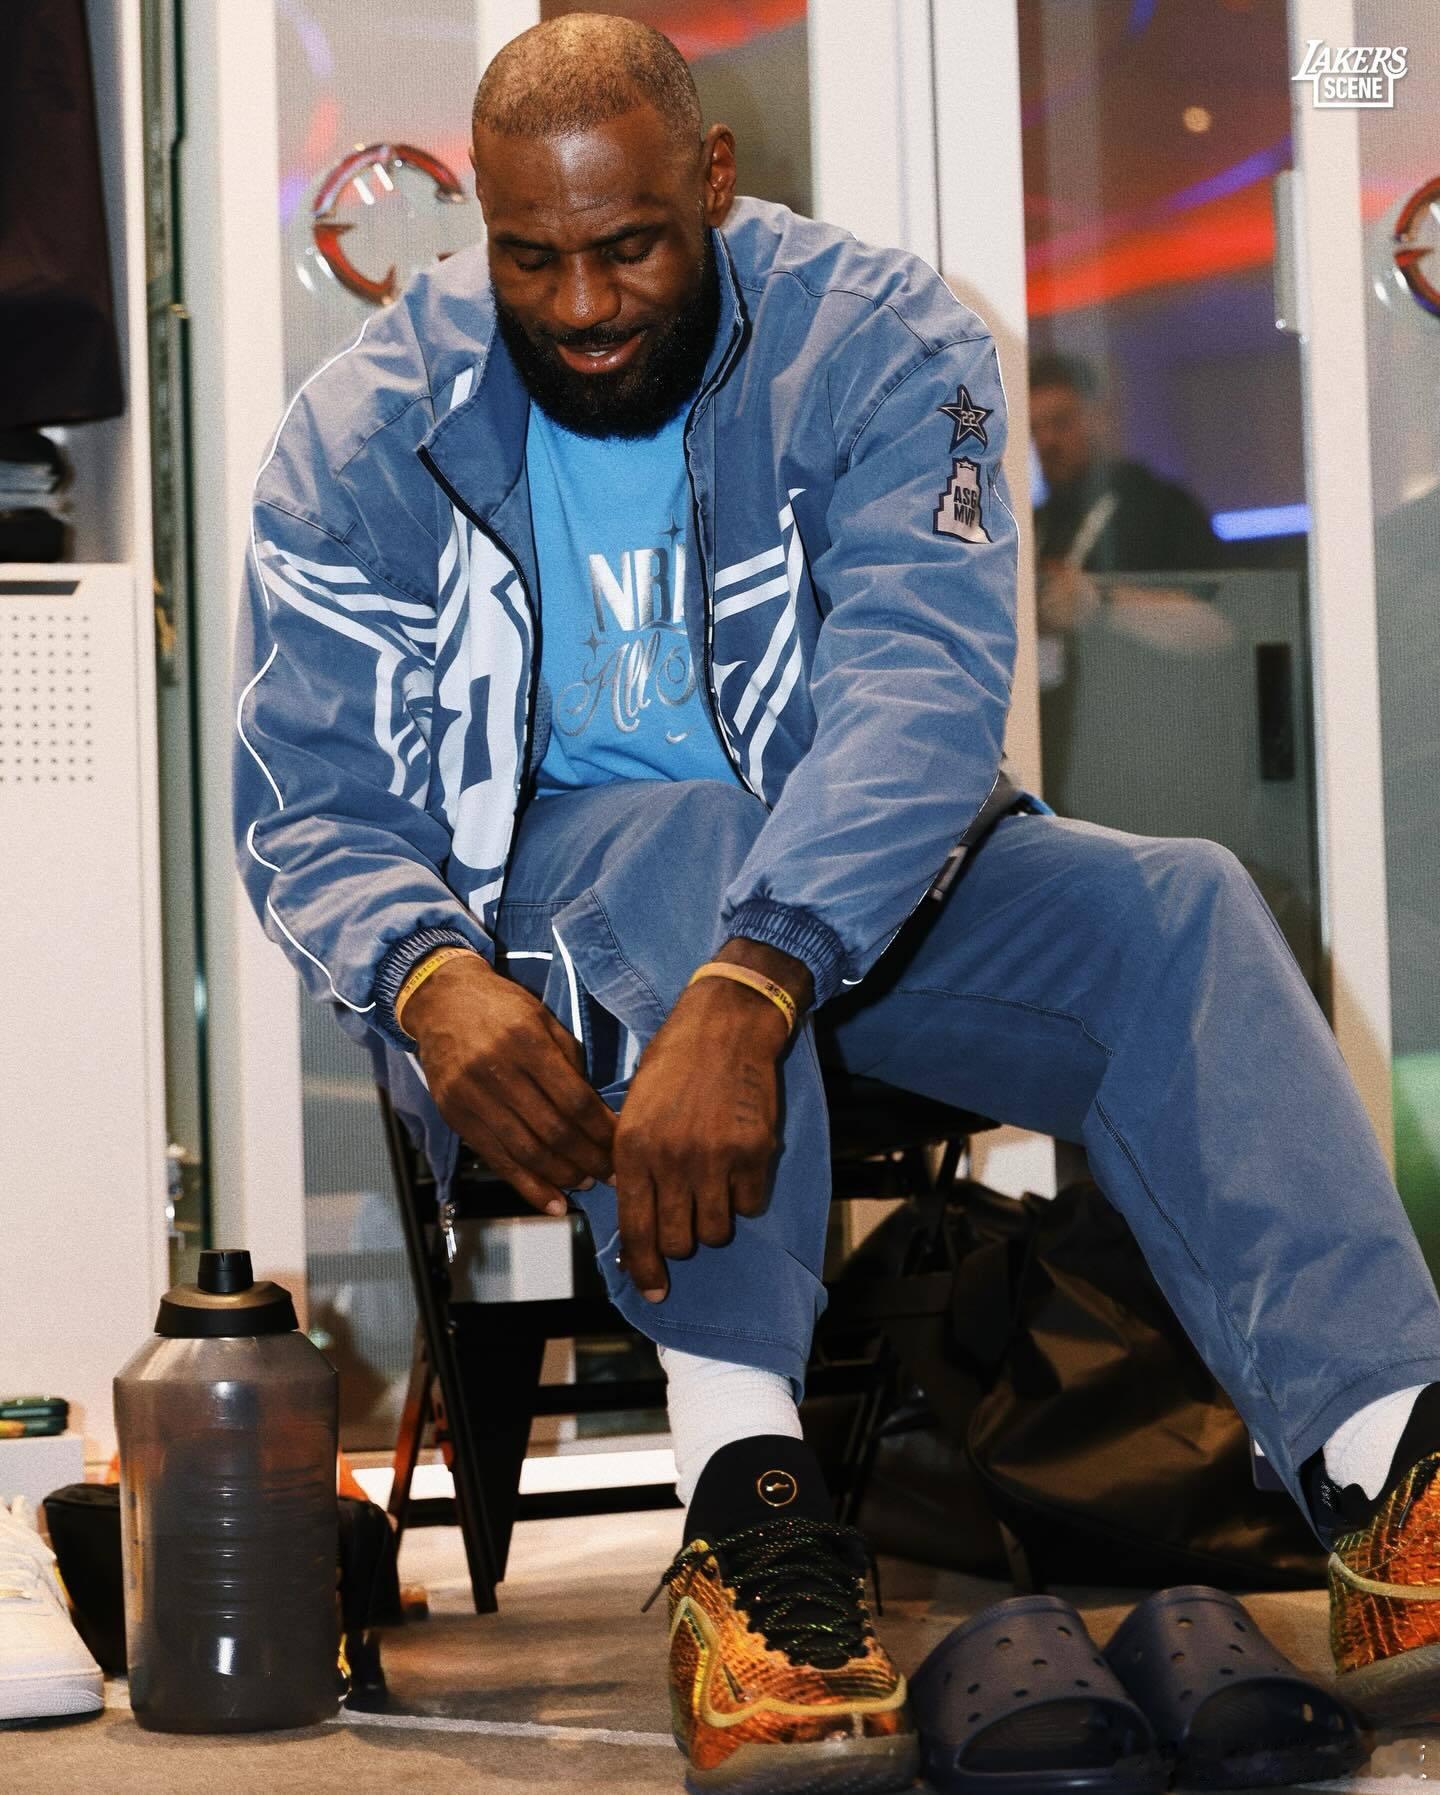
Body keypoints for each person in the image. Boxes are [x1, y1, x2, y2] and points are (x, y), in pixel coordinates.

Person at [235, 16, 1440, 1791]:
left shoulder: (883, 344)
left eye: (630, 246)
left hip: (835, 906)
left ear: (714, 181)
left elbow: (918, 695)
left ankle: (1392, 1468)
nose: (582, 306)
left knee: (1172, 906)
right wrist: (421, 972)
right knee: (680, 829)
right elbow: (310, 799)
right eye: (531, 257)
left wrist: (760, 975)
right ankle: (752, 1522)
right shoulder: (367, 435)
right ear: (479, 222)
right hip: (532, 942)